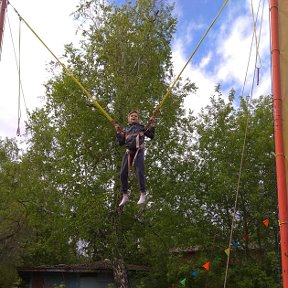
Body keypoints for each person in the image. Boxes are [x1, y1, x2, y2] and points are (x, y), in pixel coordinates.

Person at [116, 110, 155, 206]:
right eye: (131, 116)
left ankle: (142, 193)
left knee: (139, 171)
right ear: (128, 119)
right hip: (129, 151)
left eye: (136, 116)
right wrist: (118, 132)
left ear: (138, 119)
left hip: (139, 151)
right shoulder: (125, 130)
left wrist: (152, 124)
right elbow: (120, 143)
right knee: (122, 173)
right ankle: (125, 195)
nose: (134, 117)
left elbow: (151, 135)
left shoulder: (141, 128)